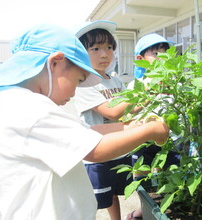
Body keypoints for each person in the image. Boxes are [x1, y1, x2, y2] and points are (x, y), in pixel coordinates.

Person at [0, 24, 169, 220]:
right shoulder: (27, 107)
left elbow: (87, 131)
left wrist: (130, 126)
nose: (75, 91)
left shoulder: (11, 101)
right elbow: (95, 150)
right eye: (79, 80)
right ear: (55, 63)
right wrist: (150, 129)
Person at [73, 20, 144, 220]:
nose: (104, 54)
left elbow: (127, 109)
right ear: (82, 52)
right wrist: (146, 96)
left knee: (114, 192)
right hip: (98, 152)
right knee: (97, 198)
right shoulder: (84, 82)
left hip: (117, 147)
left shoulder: (115, 80)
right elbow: (113, 112)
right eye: (95, 48)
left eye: (109, 47)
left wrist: (143, 105)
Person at [125, 33, 180, 220]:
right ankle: (144, 209)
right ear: (140, 59)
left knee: (172, 175)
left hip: (170, 140)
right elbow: (129, 111)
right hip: (144, 139)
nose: (162, 58)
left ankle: (166, 207)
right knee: (142, 178)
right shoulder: (136, 84)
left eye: (165, 53)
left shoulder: (174, 82)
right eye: (156, 53)